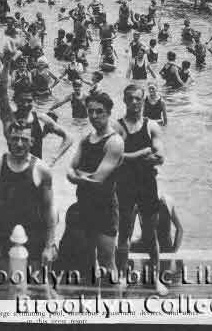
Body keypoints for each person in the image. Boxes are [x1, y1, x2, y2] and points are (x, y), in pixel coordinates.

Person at [0, 118, 56, 279]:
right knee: (3, 285)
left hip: (35, 236)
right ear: (8, 140)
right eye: (15, 139)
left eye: (24, 139)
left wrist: (49, 245)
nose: (19, 144)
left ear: (32, 142)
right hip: (2, 233)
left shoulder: (42, 169)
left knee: (34, 286)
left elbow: (49, 208)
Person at [66, 92, 124, 291]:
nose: (94, 116)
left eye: (99, 111)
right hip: (84, 205)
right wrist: (79, 175)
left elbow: (98, 180)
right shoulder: (85, 139)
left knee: (107, 263)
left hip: (105, 208)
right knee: (87, 261)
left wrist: (77, 175)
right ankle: (92, 309)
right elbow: (69, 170)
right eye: (90, 111)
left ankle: (116, 309)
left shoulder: (114, 142)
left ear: (108, 113)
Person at [114, 85, 167, 295]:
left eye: (138, 99)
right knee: (124, 232)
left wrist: (128, 158)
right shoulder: (116, 127)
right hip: (124, 185)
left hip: (147, 185)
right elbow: (113, 158)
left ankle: (155, 278)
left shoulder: (151, 126)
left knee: (150, 233)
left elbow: (160, 157)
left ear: (143, 100)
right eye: (130, 99)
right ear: (124, 100)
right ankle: (122, 276)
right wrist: (144, 154)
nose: (134, 102)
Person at [0, 57, 72, 163]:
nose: (26, 104)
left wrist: (53, 159)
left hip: (34, 173)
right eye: (22, 101)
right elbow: (3, 89)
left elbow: (68, 138)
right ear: (15, 100)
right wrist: (6, 64)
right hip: (13, 171)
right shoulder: (9, 119)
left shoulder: (41, 118)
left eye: (29, 101)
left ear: (33, 100)